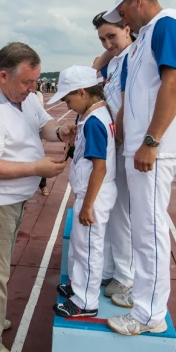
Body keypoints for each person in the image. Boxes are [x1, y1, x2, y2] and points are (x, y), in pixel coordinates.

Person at [0, 42, 75, 352]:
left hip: (12, 198)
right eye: (26, 82)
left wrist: (60, 131)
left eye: (35, 81)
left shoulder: (22, 96)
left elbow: (43, 124)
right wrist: (36, 168)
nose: (32, 88)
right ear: (2, 76)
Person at [101, 0, 176, 335]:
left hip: (153, 150)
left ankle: (149, 313)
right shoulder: (146, 37)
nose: (123, 20)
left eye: (123, 11)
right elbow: (138, 94)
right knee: (142, 228)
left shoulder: (167, 25)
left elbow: (174, 84)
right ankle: (146, 304)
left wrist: (151, 141)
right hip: (141, 148)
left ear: (137, 0)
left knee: (148, 229)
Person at [50, 66, 117, 318]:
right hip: (92, 193)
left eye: (68, 100)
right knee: (81, 244)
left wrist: (88, 205)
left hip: (94, 195)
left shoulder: (94, 123)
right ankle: (78, 287)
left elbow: (99, 167)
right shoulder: (93, 116)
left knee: (89, 248)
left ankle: (86, 302)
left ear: (82, 92)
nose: (68, 105)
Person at [91, 11, 136, 300]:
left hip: (126, 144)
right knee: (112, 210)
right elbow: (96, 64)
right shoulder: (117, 60)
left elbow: (127, 103)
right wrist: (111, 49)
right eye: (102, 38)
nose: (107, 43)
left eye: (112, 36)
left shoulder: (135, 58)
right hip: (115, 144)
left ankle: (126, 277)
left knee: (125, 213)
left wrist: (118, 137)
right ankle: (112, 270)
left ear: (128, 29)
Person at [35, 88, 50, 196]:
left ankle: (43, 185)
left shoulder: (37, 94)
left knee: (39, 158)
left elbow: (41, 109)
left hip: (35, 132)